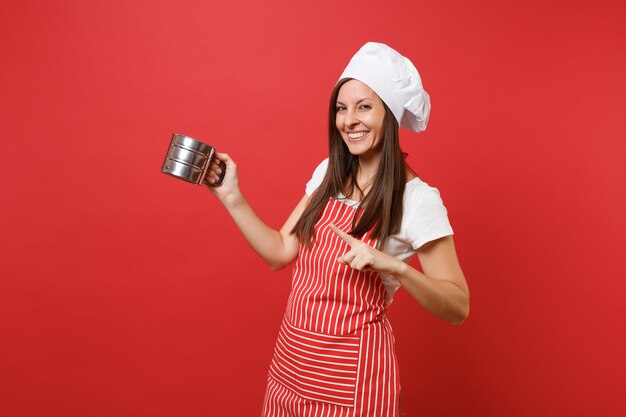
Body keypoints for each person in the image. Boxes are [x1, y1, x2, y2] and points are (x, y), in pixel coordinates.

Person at [205, 42, 469, 417]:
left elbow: (458, 306)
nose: (349, 120)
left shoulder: (416, 199)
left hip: (354, 385)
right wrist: (231, 195)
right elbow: (280, 252)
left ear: (389, 114)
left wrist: (393, 265)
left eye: (364, 107)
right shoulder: (329, 172)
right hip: (290, 373)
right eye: (341, 109)